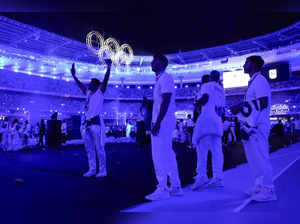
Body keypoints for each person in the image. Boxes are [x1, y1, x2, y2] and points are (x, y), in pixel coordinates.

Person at [231, 55, 276, 201]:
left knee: (262, 158)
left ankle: (268, 190)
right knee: (254, 159)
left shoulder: (260, 80)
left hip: (258, 126)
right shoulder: (254, 82)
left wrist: (241, 108)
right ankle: (259, 185)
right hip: (251, 127)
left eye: (246, 63)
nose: (244, 65)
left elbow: (263, 102)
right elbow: (255, 104)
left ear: (254, 64)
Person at [145, 54, 183, 201]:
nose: (152, 62)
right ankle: (175, 186)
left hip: (163, 122)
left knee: (159, 155)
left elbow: (166, 101)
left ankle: (162, 188)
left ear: (162, 63)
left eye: (154, 60)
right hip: (164, 121)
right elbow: (162, 101)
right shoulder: (161, 78)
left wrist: (157, 122)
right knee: (168, 154)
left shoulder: (165, 77)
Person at [71, 59, 112, 178]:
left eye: (92, 83)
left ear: (97, 85)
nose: (89, 84)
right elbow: (80, 85)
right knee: (89, 149)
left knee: (99, 148)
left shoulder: (100, 92)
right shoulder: (88, 93)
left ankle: (103, 171)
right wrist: (74, 75)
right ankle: (92, 169)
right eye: (89, 83)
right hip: (86, 124)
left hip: (96, 123)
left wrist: (109, 67)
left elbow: (106, 80)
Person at [192, 70, 225, 189]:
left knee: (201, 150)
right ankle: (218, 177)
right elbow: (221, 109)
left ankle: (202, 176)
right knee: (217, 151)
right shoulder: (221, 89)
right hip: (217, 121)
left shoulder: (207, 85)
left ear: (210, 77)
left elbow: (205, 99)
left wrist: (196, 101)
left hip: (206, 120)